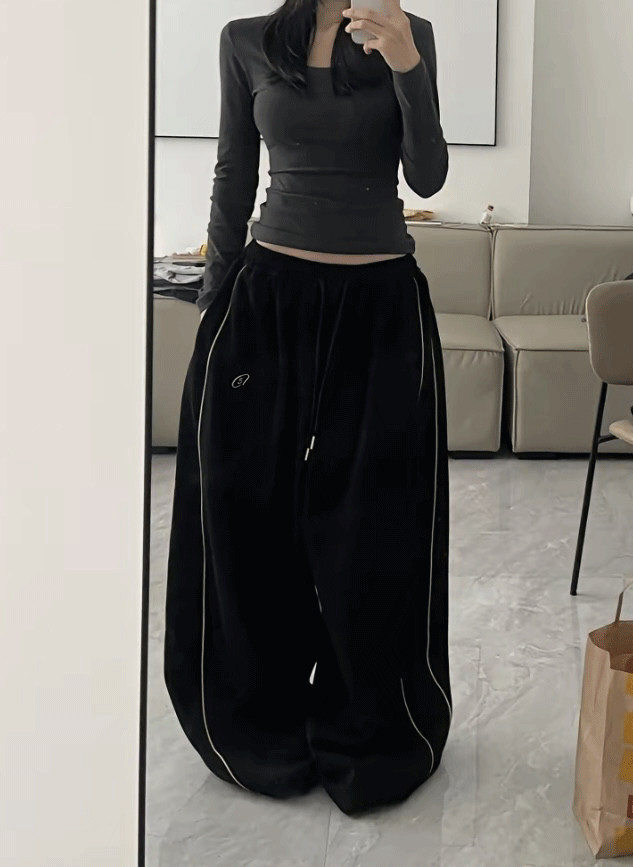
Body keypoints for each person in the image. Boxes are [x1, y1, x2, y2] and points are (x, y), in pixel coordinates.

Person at [164, 0, 452, 817]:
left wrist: (406, 63)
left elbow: (428, 175)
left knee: (377, 523)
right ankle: (258, 720)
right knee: (247, 512)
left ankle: (373, 724)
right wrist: (215, 302)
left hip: (381, 305)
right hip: (266, 301)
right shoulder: (246, 41)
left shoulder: (411, 35)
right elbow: (233, 173)